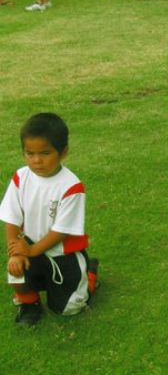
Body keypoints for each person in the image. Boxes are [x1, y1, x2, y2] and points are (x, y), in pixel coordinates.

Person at [1, 113, 99, 326]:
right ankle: (29, 303)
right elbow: (11, 218)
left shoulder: (72, 187)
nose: (36, 160)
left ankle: (89, 275)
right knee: (15, 270)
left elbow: (61, 231)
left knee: (70, 309)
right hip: (29, 245)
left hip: (62, 252)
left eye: (45, 153)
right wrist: (16, 251)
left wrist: (32, 251)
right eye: (29, 153)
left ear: (63, 152)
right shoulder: (21, 177)